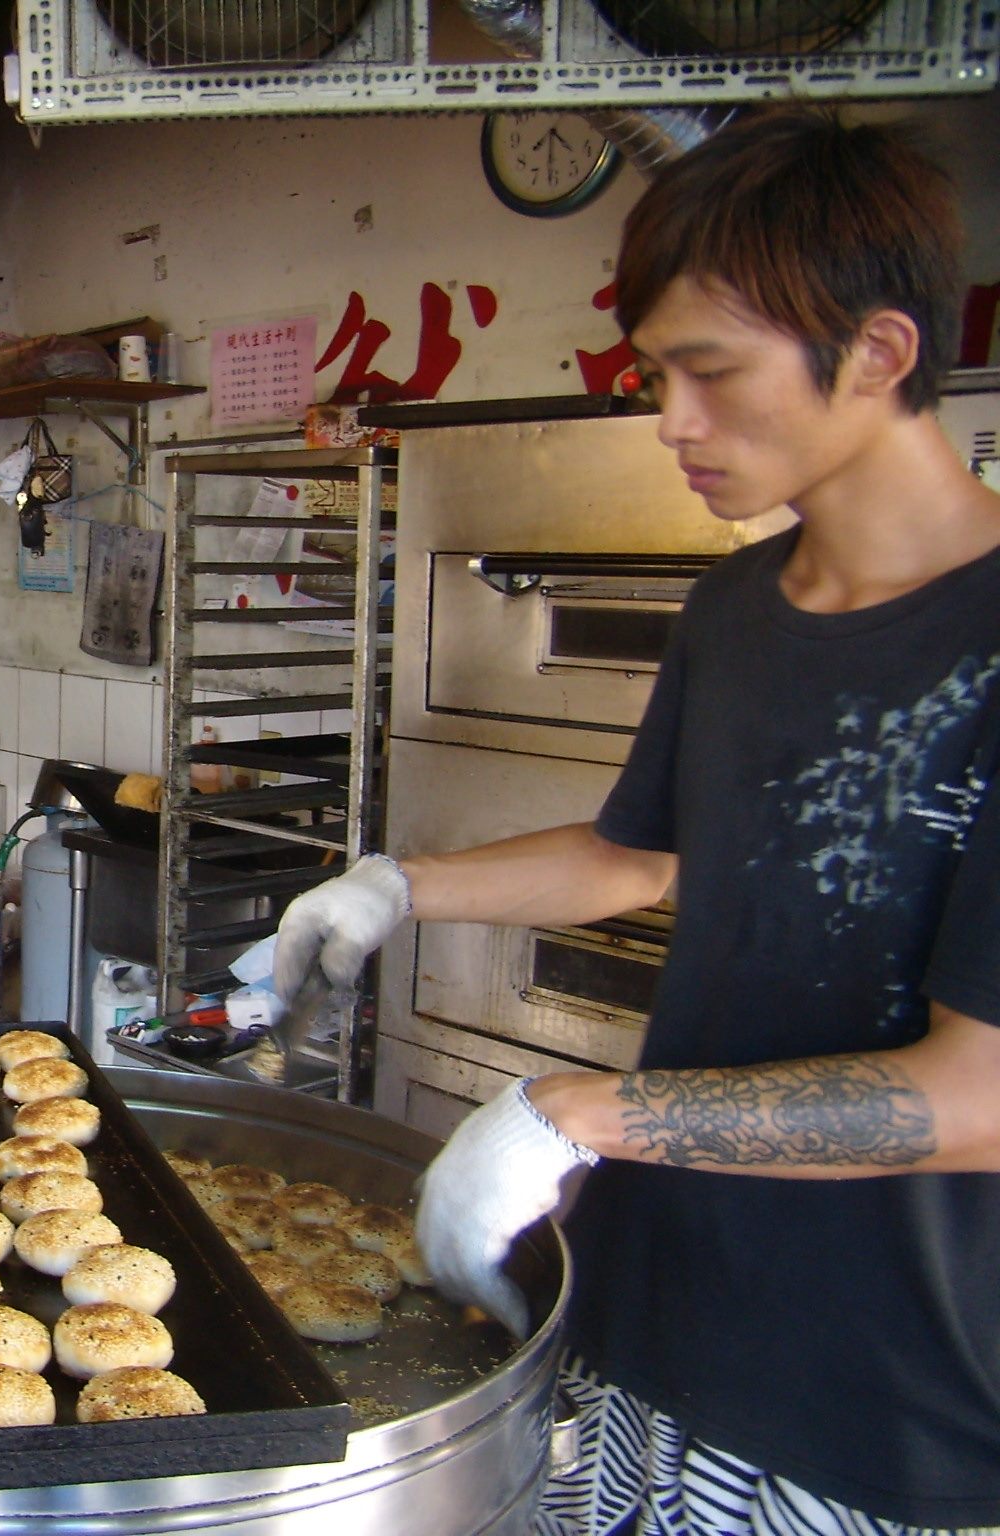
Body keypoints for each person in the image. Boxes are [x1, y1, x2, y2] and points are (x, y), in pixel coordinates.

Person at [274, 112, 1000, 1533]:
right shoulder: (740, 608)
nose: (671, 419)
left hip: (877, 1402)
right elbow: (641, 856)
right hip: (652, 1321)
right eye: (660, 371)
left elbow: (981, 1096)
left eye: (710, 373)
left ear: (882, 352)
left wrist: (578, 1112)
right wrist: (392, 884)